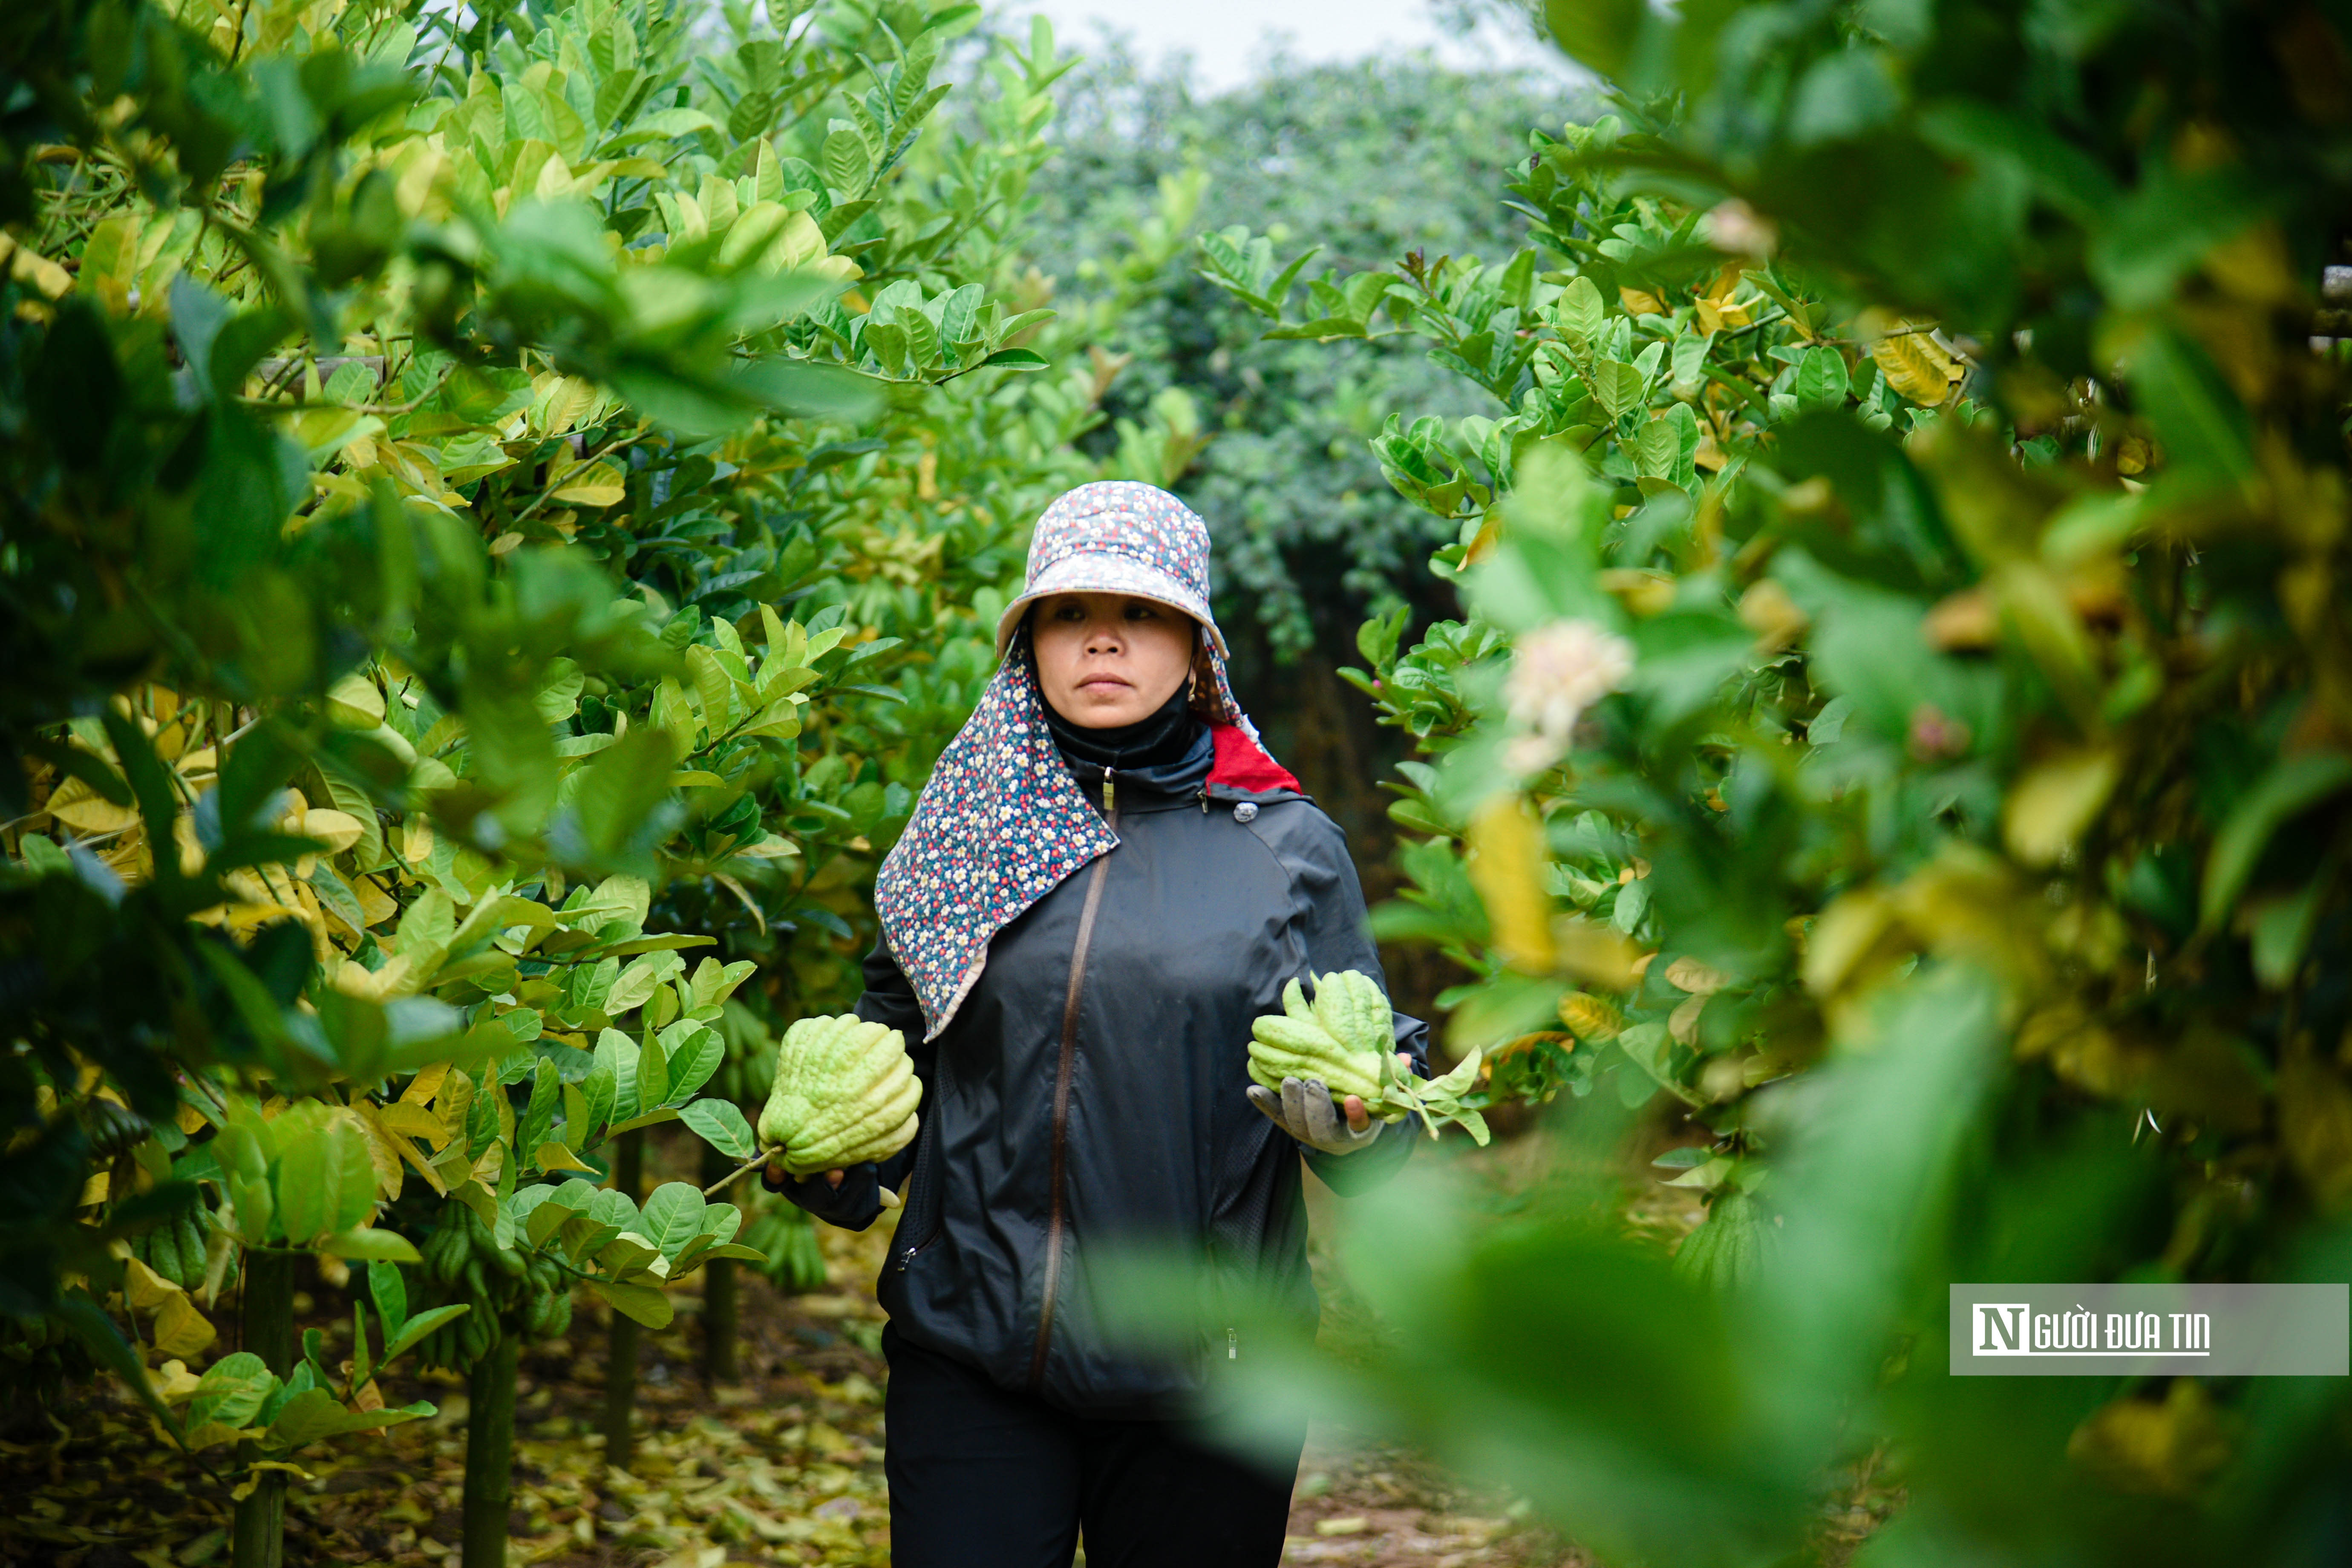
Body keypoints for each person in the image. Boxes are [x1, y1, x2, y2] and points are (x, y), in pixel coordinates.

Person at [764, 481, 1428, 1568]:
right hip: (970, 1350)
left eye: (1144, 612)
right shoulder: (967, 824)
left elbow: (1372, 1094)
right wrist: (830, 1160)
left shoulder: (1283, 845)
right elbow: (897, 1052)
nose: (1104, 638)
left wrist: (1356, 1127)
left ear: (1196, 647)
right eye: (1070, 612)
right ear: (1031, 640)